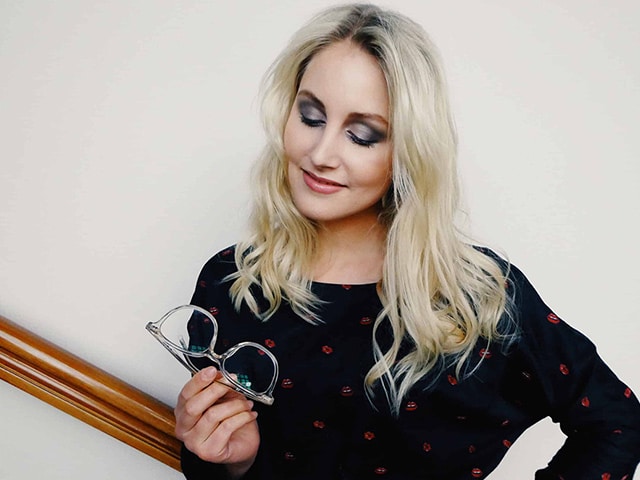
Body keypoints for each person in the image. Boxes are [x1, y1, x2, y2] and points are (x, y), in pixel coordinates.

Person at [173, 4, 640, 479]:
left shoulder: (478, 297)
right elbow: (215, 466)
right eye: (311, 116)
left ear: (409, 151)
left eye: (362, 135)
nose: (321, 153)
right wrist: (232, 462)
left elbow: (617, 424)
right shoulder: (230, 282)